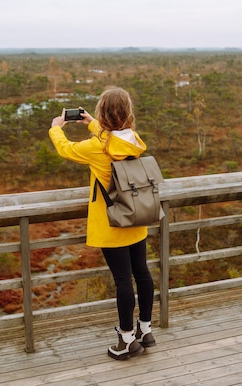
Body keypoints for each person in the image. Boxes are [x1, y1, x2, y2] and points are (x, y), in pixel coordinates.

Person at [48, 86, 156, 360]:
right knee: (141, 273)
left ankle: (126, 340)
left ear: (102, 113)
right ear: (127, 112)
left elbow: (66, 149)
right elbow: (112, 137)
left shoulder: (97, 148)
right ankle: (145, 330)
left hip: (111, 223)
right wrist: (91, 124)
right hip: (136, 216)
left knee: (122, 281)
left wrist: (56, 128)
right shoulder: (133, 140)